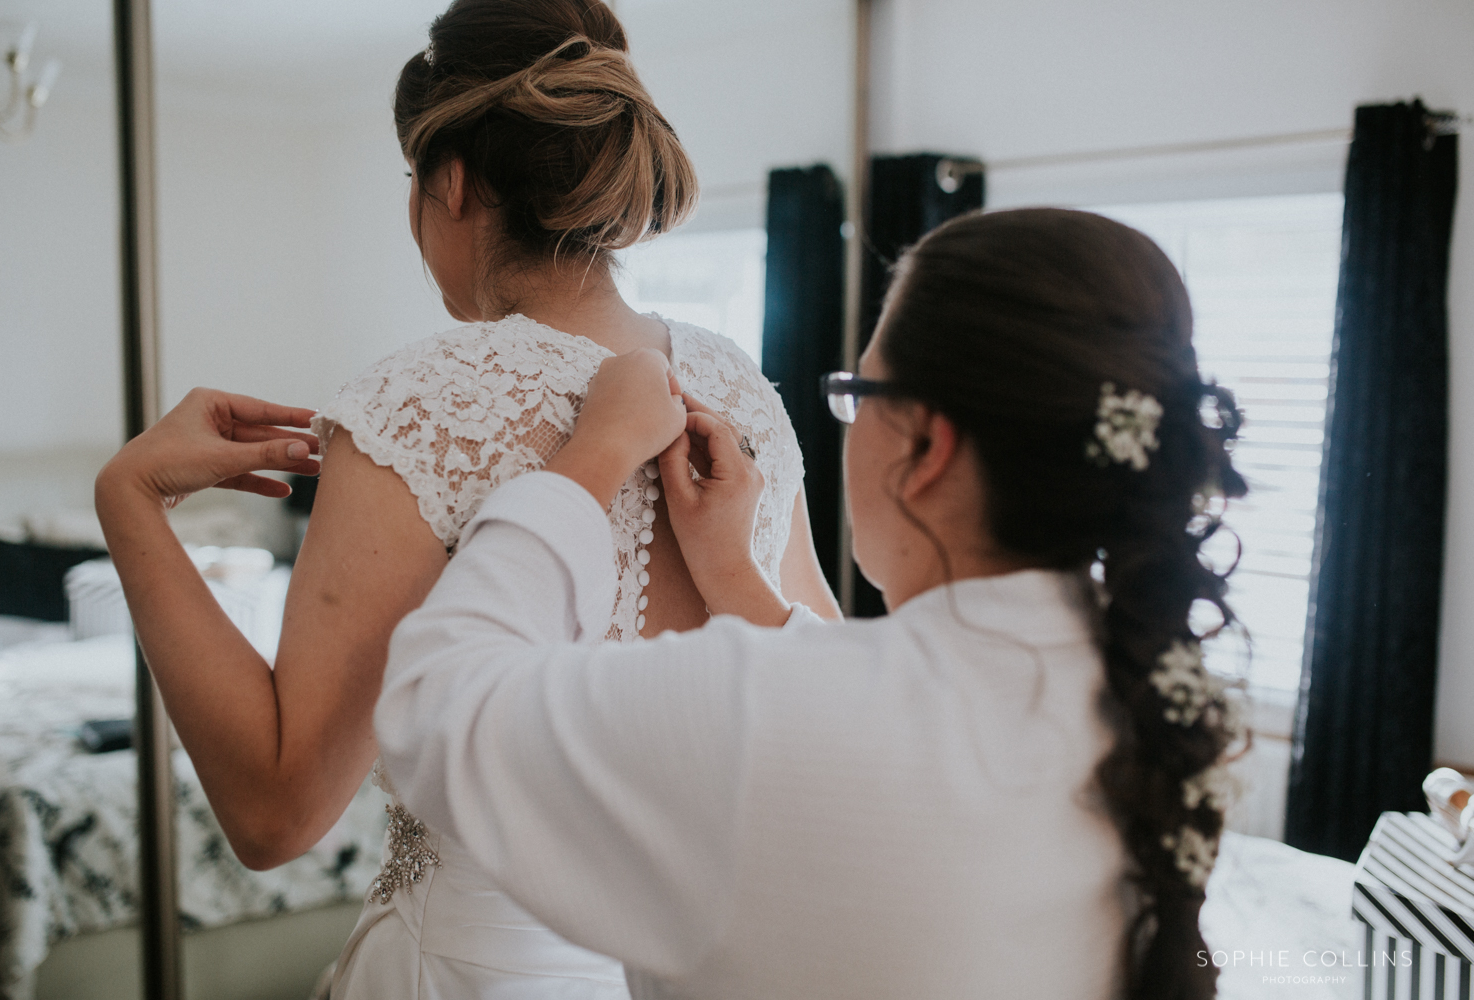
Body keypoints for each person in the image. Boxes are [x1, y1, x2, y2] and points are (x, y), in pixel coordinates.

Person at [94, 1, 838, 997]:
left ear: (449, 184)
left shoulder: (423, 404)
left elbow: (277, 809)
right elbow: (831, 700)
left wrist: (130, 497)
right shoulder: (741, 394)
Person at [372, 207, 1249, 1000]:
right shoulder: (1144, 693)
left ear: (927, 447)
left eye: (857, 394)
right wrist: (736, 582)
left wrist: (587, 463)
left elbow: (437, 705)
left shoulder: (762, 719)